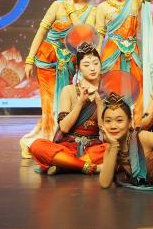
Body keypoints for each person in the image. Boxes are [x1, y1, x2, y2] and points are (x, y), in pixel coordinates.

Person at [19, 0, 96, 157]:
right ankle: (37, 143)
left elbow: (83, 35)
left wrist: (71, 12)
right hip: (48, 58)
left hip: (70, 63)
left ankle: (56, 143)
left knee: (65, 105)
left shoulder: (92, 11)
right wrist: (29, 59)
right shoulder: (56, 5)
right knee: (49, 106)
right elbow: (41, 32)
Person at [93, 0, 153, 125]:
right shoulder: (102, 7)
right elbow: (100, 36)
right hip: (111, 53)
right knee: (112, 90)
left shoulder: (135, 3)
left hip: (132, 53)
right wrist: (96, 60)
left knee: (138, 88)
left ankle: (136, 128)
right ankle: (114, 129)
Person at [28, 42, 107, 175]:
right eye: (86, 65)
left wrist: (99, 104)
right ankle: (86, 166)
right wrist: (80, 103)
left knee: (112, 148)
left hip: (92, 147)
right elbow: (64, 128)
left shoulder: (105, 93)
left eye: (96, 63)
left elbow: (105, 131)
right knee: (37, 145)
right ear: (78, 68)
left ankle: (64, 164)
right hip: (68, 146)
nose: (92, 68)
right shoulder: (68, 91)